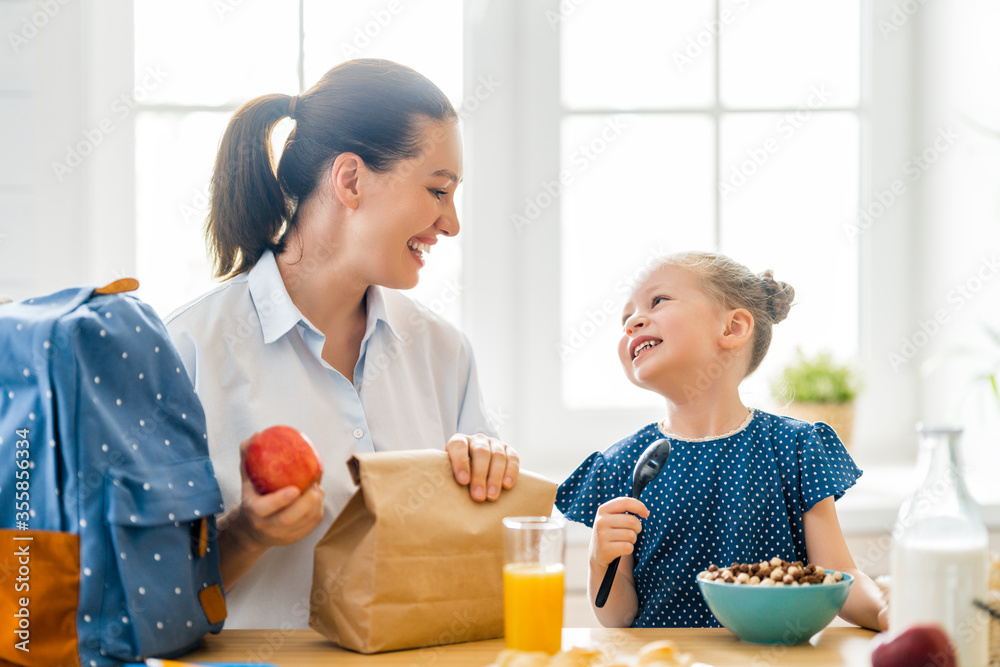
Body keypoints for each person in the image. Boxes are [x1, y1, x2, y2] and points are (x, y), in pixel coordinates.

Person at [166, 59, 519, 629]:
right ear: (350, 180)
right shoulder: (184, 352)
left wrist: (492, 481)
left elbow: (490, 562)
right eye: (437, 190)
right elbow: (136, 599)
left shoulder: (444, 353)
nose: (451, 223)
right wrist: (247, 534)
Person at [555, 252, 888, 630]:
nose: (632, 322)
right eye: (625, 318)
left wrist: (884, 612)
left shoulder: (795, 449)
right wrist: (600, 559)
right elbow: (619, 617)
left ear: (732, 329)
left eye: (658, 301)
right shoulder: (622, 464)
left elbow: (839, 574)